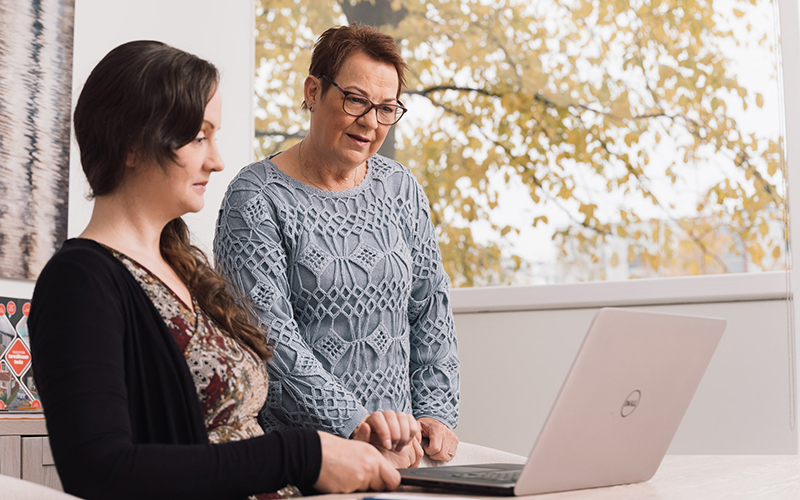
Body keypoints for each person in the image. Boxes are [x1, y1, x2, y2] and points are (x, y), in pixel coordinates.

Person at [29, 40, 414, 500]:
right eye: (198, 137)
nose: (216, 160)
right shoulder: (79, 282)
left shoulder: (182, 268)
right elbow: (101, 470)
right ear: (130, 145)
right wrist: (302, 454)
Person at [214, 24, 459, 467]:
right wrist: (357, 425)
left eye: (387, 109)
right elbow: (268, 337)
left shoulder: (400, 188)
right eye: (356, 100)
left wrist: (434, 414)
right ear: (313, 91)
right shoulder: (255, 197)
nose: (370, 121)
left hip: (402, 456)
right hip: (304, 458)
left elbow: (430, 308)